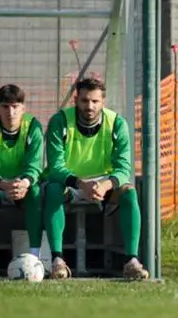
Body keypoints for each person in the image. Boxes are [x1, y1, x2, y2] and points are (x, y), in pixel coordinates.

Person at [44, 77, 149, 280]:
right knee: (53, 189)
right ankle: (57, 260)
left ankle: (131, 261)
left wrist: (105, 185)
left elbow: (123, 168)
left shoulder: (117, 123)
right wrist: (81, 184)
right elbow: (56, 167)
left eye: (94, 101)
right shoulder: (60, 121)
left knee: (129, 192)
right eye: (84, 101)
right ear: (76, 100)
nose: (89, 106)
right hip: (71, 182)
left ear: (103, 101)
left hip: (103, 183)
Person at [0, 85, 45, 262]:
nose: (11, 112)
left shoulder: (33, 127)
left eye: (15, 106)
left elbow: (35, 165)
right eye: (5, 106)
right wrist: (2, 183)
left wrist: (24, 182)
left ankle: (35, 256)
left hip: (22, 184)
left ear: (23, 108)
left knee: (36, 192)